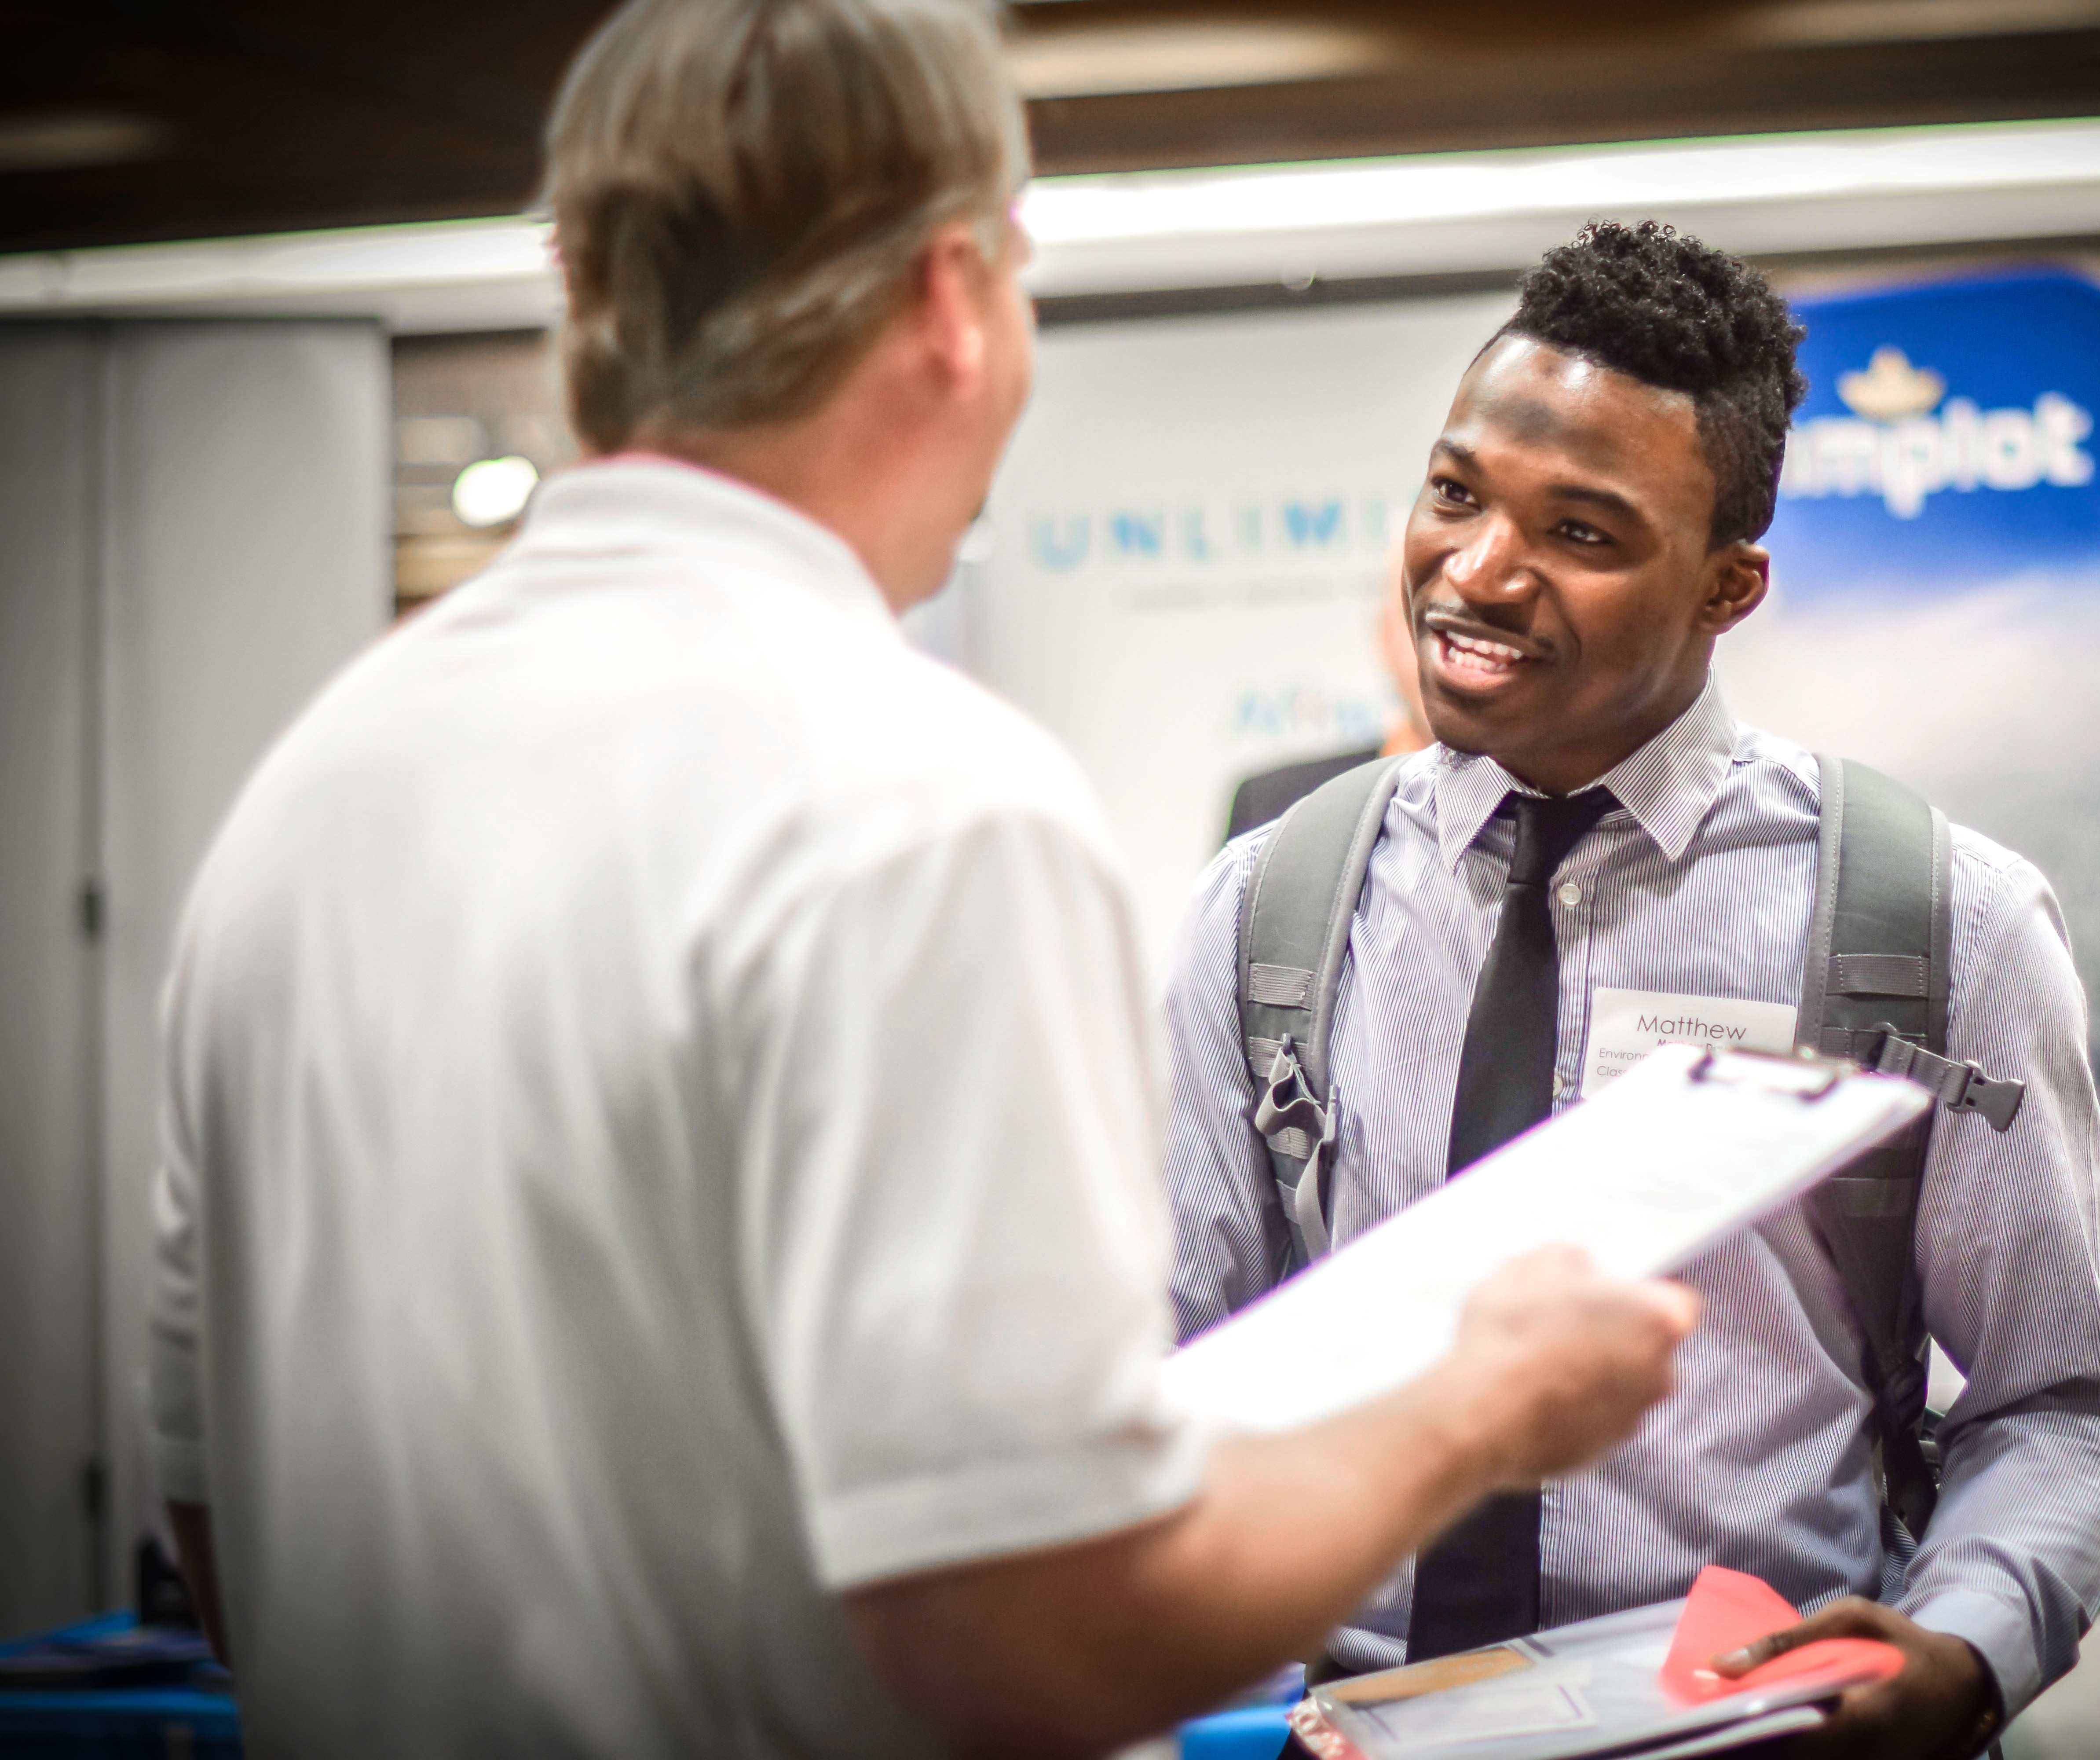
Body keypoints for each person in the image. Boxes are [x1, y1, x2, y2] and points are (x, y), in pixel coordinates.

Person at [144, 5, 1699, 1756]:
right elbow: (1038, 1640)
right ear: (957, 293)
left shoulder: (306, 796)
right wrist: (1485, 1402)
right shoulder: (924, 806)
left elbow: (214, 1526)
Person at [1164, 221, 2100, 1760]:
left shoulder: (1927, 919)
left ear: (1728, 585)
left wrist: (1963, 1653)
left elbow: (2058, 1401)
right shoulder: (1269, 906)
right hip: (1343, 1728)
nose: (1477, 570)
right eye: (1455, 493)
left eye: (1582, 534)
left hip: (1754, 1726)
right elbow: (1176, 1369)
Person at [1224, 555, 1434, 840]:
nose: (1452, 651)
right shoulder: (1275, 812)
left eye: (1481, 619)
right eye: (1425, 616)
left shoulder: (1515, 809)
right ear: (1384, 633)